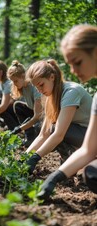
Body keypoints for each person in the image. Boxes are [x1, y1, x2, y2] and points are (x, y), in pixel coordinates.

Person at [37, 24, 97, 200]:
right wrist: (54, 177)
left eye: (77, 62)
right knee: (91, 174)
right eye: (70, 64)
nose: (73, 71)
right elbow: (88, 149)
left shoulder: (72, 91)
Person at [25, 58, 92, 175]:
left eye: (41, 85)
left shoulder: (71, 92)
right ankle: (70, 163)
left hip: (92, 138)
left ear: (52, 77)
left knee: (55, 129)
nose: (40, 90)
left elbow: (59, 134)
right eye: (36, 87)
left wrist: (35, 157)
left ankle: (78, 164)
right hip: (82, 134)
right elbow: (43, 134)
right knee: (50, 128)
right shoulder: (49, 97)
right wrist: (24, 158)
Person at [7, 60, 43, 147]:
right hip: (35, 112)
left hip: (44, 115)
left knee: (38, 127)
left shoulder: (34, 86)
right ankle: (30, 137)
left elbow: (37, 116)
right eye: (12, 81)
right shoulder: (23, 87)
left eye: (15, 81)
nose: (14, 84)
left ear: (23, 76)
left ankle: (39, 138)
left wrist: (19, 128)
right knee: (18, 106)